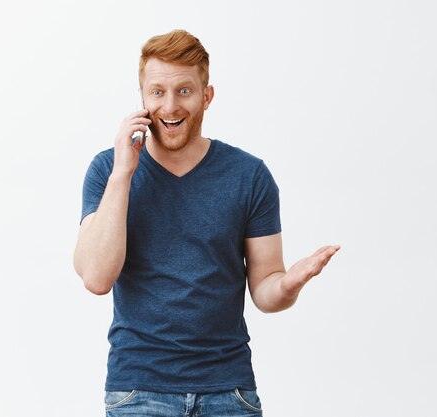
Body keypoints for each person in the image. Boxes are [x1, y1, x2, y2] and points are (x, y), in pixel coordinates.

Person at [73, 29, 340, 417]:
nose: (170, 106)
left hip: (228, 393)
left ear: (206, 96)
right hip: (139, 391)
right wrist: (122, 175)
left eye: (184, 91)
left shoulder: (249, 176)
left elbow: (266, 292)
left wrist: (289, 283)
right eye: (158, 92)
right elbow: (96, 278)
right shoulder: (108, 170)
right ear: (143, 99)